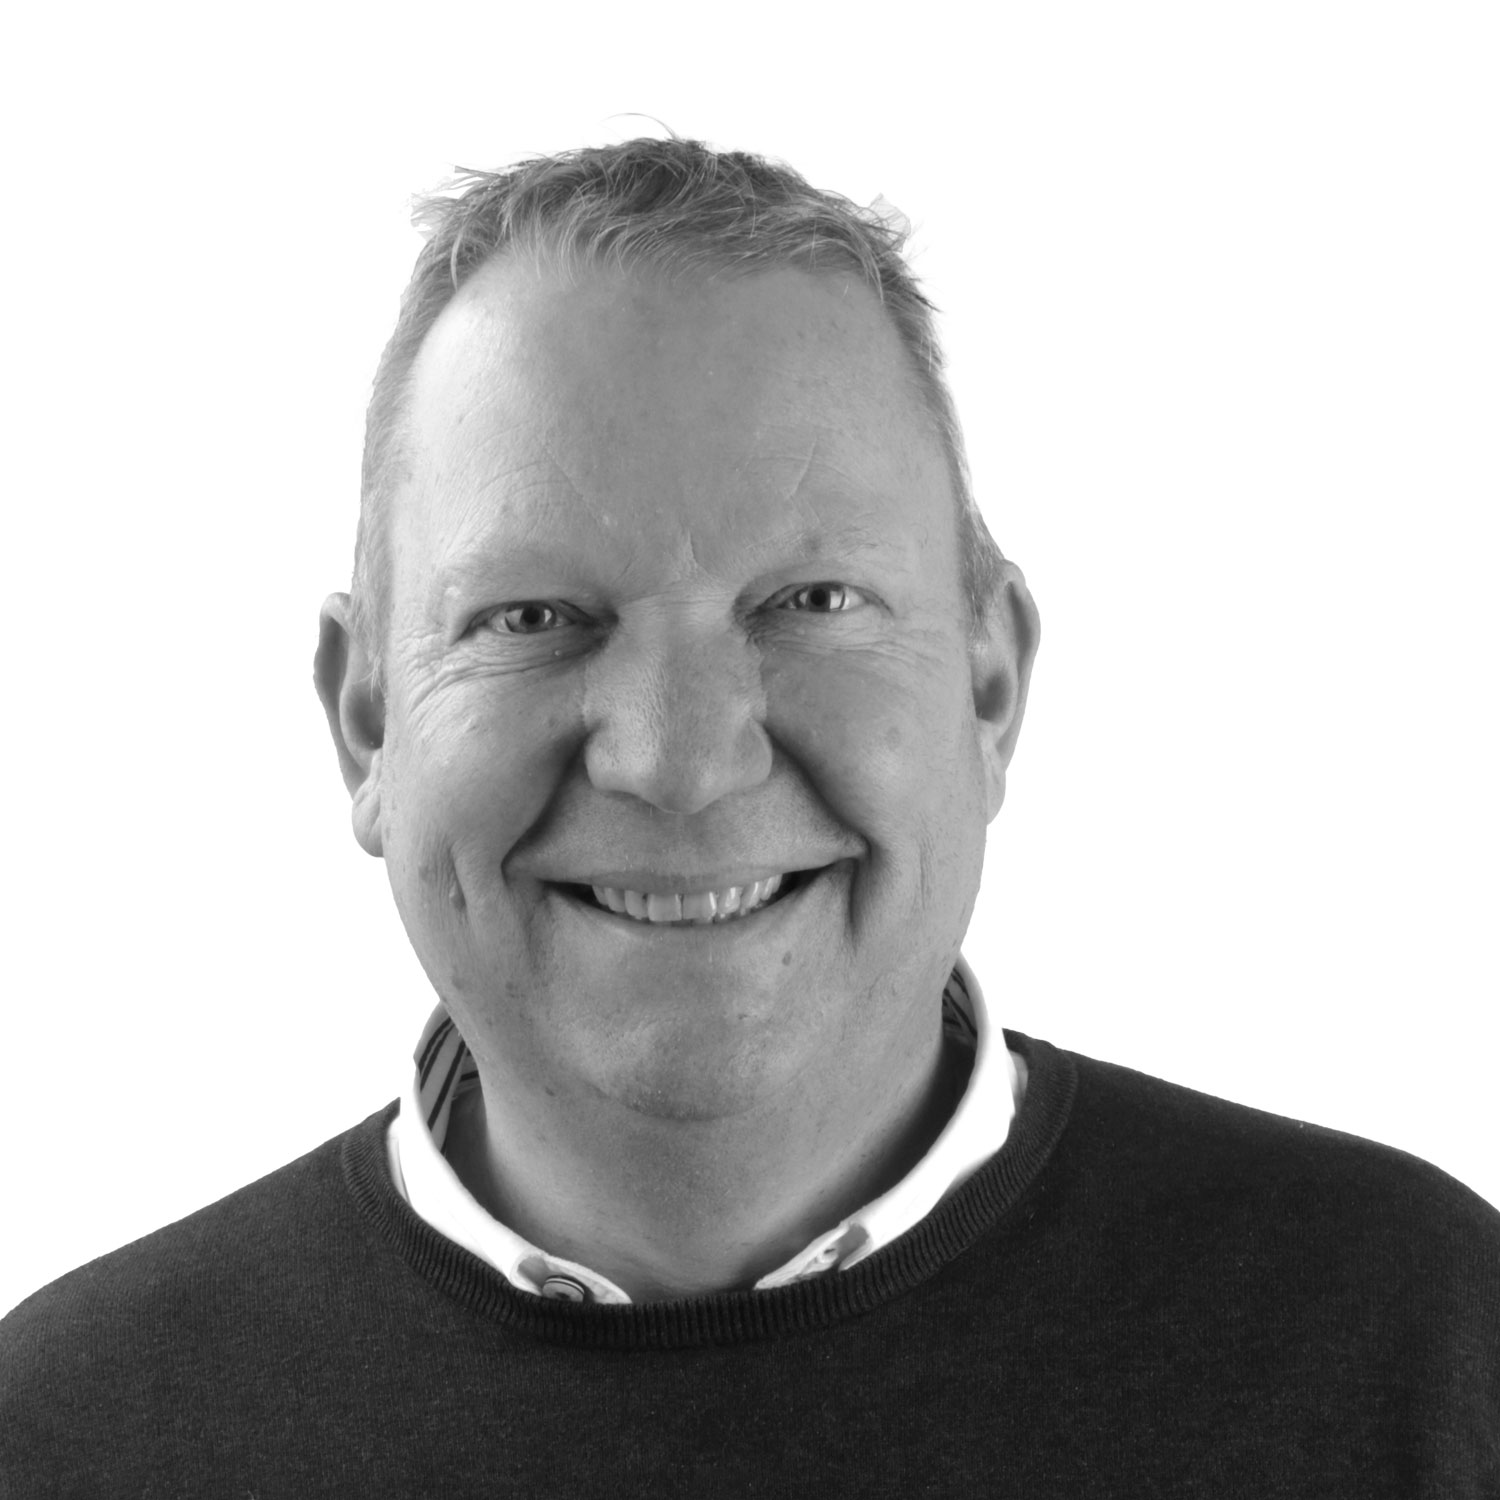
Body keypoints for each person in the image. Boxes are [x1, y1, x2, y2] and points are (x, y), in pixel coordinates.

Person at [2, 137, 1496, 1496]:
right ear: (368, 722)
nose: (678, 759)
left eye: (812, 601)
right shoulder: (68, 1438)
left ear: (990, 687)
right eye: (532, 616)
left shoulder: (1423, 1343)